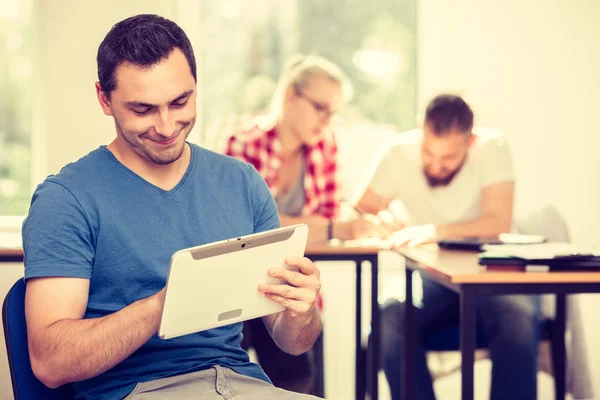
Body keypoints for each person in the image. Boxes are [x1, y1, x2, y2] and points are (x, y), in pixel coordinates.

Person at [22, 14, 323, 400]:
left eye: (180, 101)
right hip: (137, 390)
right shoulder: (66, 199)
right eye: (142, 110)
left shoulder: (242, 183)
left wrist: (302, 312)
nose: (166, 127)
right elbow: (51, 363)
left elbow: (293, 342)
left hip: (242, 385)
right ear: (104, 99)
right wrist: (168, 303)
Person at [357, 94, 538, 400]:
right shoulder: (398, 152)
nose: (436, 165)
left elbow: (498, 222)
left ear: (471, 141)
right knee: (389, 313)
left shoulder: (493, 148)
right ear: (421, 130)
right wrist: (382, 221)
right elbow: (360, 210)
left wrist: (433, 232)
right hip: (432, 276)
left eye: (448, 158)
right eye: (429, 153)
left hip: (491, 272)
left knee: (517, 314)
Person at [225, 55, 380, 394]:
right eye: (321, 108)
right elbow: (246, 226)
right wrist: (330, 228)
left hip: (291, 282)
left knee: (298, 362)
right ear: (290, 96)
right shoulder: (243, 143)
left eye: (334, 113)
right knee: (238, 361)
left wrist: (328, 226)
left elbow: (324, 218)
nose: (327, 121)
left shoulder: (324, 147)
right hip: (239, 283)